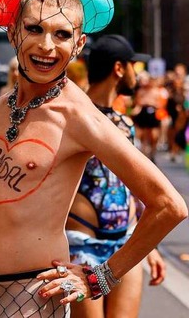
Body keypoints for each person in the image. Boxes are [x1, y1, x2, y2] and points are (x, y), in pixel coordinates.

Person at [0, 0, 187, 318]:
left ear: (78, 44)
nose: (46, 46)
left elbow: (169, 205)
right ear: (13, 32)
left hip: (34, 298)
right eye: (34, 29)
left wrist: (101, 277)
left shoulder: (78, 116)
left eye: (61, 34)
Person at [67, 35, 166, 318]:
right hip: (80, 244)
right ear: (119, 69)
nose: (138, 74)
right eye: (134, 65)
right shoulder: (75, 117)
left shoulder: (124, 123)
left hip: (125, 244)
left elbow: (132, 188)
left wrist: (149, 248)